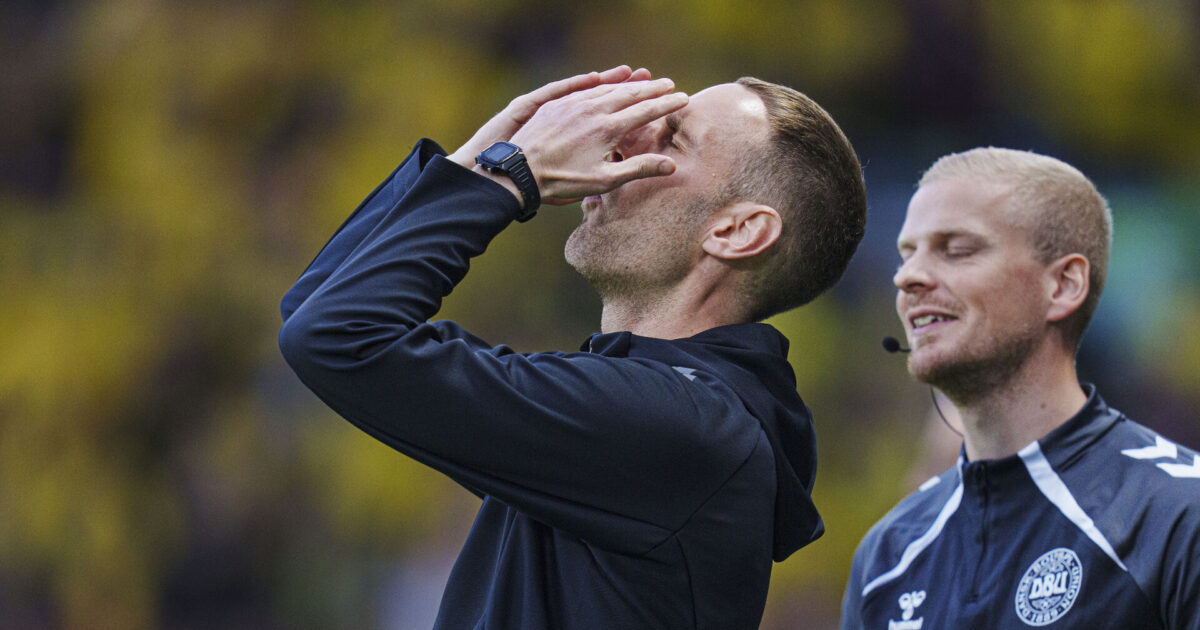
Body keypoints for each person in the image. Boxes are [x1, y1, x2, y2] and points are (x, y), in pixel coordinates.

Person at [278, 65, 866, 629]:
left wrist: (507, 176)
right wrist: (476, 161)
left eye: (672, 138)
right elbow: (317, 309)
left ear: (736, 231)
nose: (619, 143)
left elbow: (336, 334)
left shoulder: (688, 428)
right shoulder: (654, 418)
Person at [841, 147, 1200, 629]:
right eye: (907, 254)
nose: (908, 277)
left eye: (957, 249)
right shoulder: (887, 556)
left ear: (1064, 285)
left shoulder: (1177, 515)